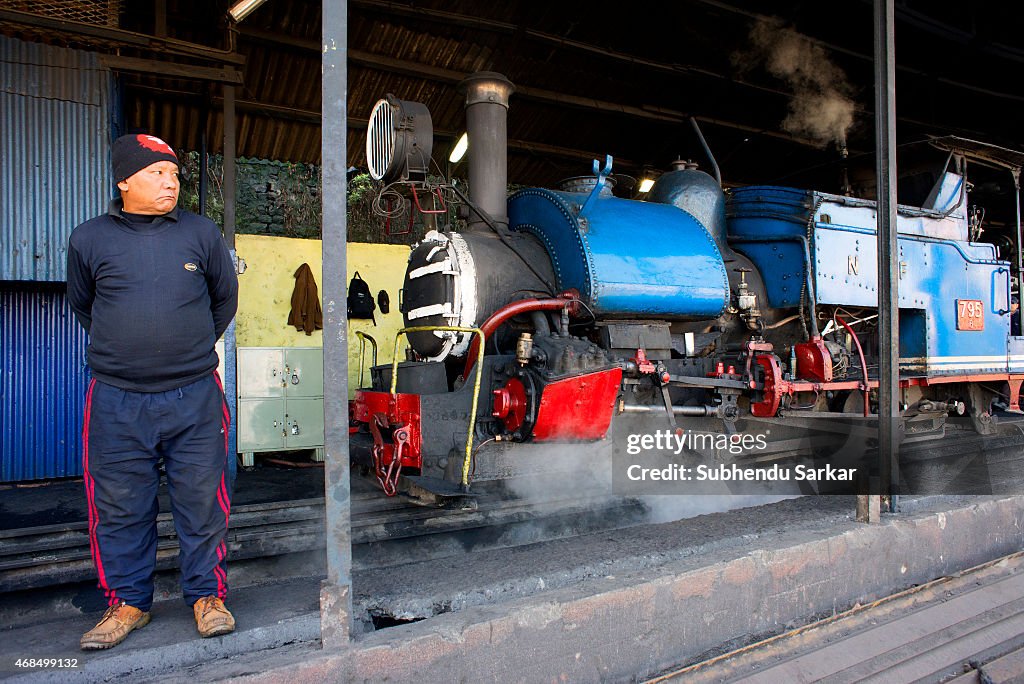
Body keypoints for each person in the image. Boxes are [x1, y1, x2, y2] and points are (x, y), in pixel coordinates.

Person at [67, 133, 239, 650]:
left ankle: (207, 596)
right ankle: (129, 602)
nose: (171, 183)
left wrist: (180, 350)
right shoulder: (89, 238)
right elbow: (84, 304)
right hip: (117, 397)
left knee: (202, 502)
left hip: (193, 395)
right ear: (124, 182)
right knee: (119, 504)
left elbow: (223, 301)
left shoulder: (201, 234)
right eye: (156, 173)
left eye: (174, 174)